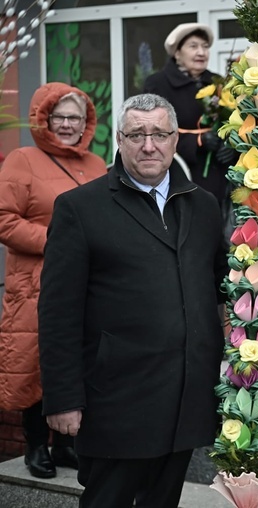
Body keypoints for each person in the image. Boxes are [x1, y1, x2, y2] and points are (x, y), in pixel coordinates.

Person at [37, 93, 229, 508]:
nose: (149, 145)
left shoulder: (204, 205)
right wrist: (63, 398)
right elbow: (57, 313)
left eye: (159, 134)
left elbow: (217, 283)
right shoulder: (79, 208)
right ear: (119, 140)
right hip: (118, 399)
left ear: (176, 139)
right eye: (137, 134)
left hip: (186, 395)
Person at [0, 83, 107, 479]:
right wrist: (63, 243)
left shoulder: (97, 165)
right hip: (36, 283)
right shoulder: (22, 159)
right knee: (36, 361)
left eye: (74, 118)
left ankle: (66, 444)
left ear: (86, 124)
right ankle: (34, 445)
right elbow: (4, 219)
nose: (66, 125)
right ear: (43, 119)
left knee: (79, 358)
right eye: (59, 117)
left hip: (89, 284)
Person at [144, 22, 235, 204]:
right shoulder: (158, 83)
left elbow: (233, 121)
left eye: (205, 47)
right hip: (177, 176)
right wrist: (197, 141)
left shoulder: (218, 83)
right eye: (193, 46)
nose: (201, 52)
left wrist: (231, 145)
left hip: (218, 177)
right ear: (177, 53)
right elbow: (151, 130)